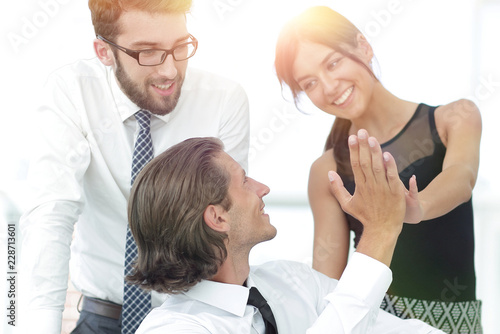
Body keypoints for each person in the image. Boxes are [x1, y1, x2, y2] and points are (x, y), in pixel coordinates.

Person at [19, 1, 249, 333]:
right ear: (104, 52)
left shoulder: (224, 99)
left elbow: (230, 226)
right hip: (103, 318)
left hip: (195, 317)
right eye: (148, 52)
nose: (169, 71)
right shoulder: (72, 92)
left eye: (180, 47)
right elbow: (51, 214)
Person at [274, 6, 482, 333]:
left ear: (363, 46)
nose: (328, 86)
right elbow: (327, 285)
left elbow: (461, 177)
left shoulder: (453, 118)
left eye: (333, 63)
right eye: (310, 83)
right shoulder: (327, 171)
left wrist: (418, 207)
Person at [126, 135, 444, 333]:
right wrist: (378, 233)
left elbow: (383, 327)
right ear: (218, 217)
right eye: (245, 182)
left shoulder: (293, 281)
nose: (263, 188)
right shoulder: (175, 329)